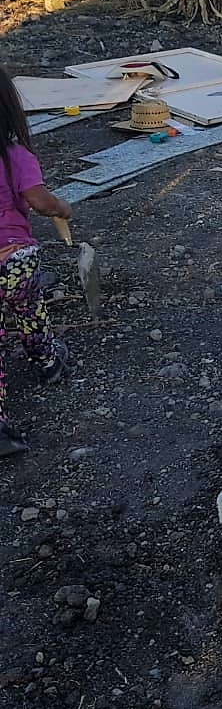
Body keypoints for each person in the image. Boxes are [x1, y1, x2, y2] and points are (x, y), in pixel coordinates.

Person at [0, 64, 74, 457]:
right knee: (30, 311)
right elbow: (40, 201)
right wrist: (64, 207)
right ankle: (47, 362)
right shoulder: (15, 155)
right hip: (15, 258)